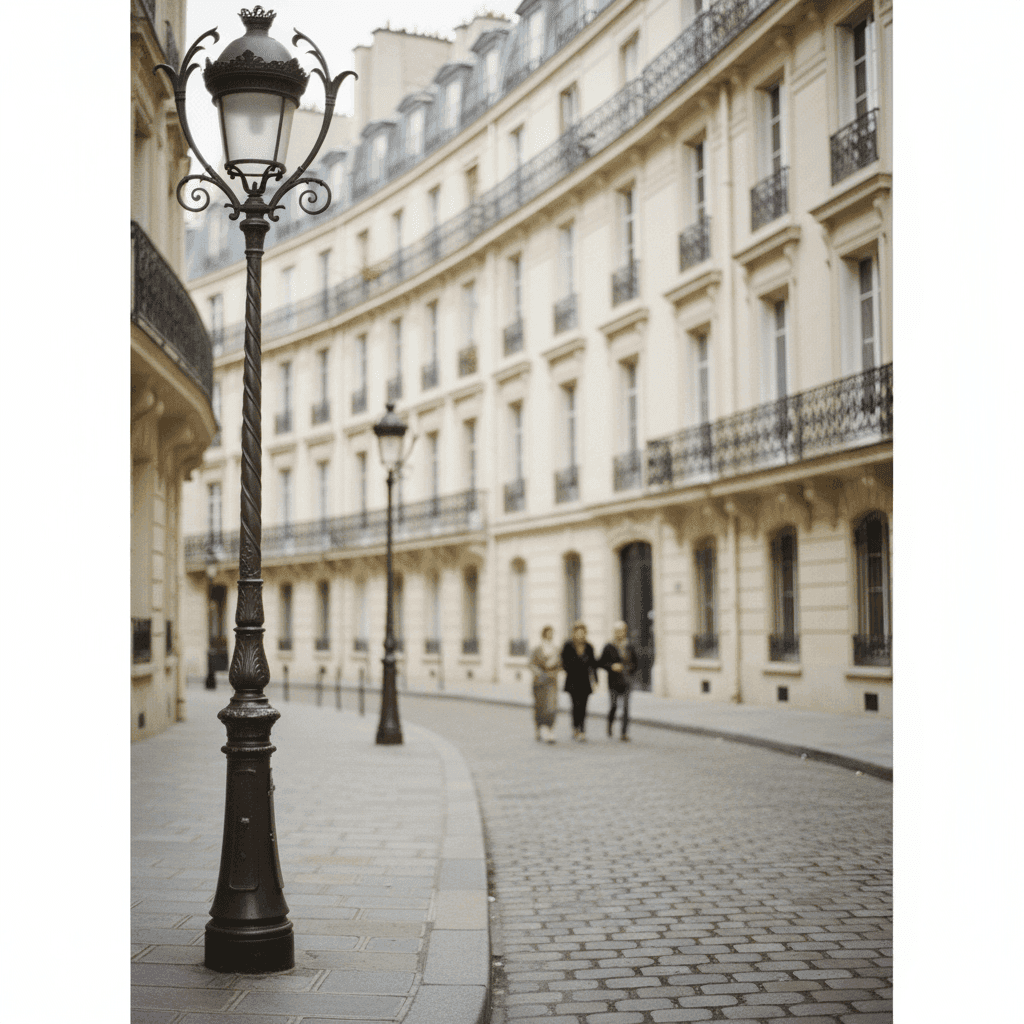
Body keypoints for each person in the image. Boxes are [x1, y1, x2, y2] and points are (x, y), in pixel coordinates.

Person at [599, 621, 636, 741]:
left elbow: (636, 662)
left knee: (625, 708)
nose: (620, 633)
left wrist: (630, 669)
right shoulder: (609, 646)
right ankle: (610, 725)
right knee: (614, 706)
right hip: (613, 681)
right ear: (614, 633)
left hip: (626, 681)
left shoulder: (629, 646)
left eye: (622, 631)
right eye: (617, 631)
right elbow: (601, 663)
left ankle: (624, 733)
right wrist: (611, 666)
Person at [560, 621, 598, 742]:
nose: (580, 635)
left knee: (584, 706)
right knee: (575, 705)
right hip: (572, 680)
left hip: (585, 681)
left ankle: (582, 729)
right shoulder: (568, 645)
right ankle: (575, 727)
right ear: (574, 633)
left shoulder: (589, 647)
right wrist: (569, 668)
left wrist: (595, 680)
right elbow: (563, 661)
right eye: (578, 632)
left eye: (582, 632)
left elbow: (593, 664)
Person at [529, 625, 560, 743]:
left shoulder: (556, 650)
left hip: (551, 682)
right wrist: (540, 673)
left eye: (552, 633)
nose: (550, 635)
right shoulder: (538, 649)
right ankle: (539, 728)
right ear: (544, 634)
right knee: (540, 706)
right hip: (540, 682)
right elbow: (531, 664)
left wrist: (554, 673)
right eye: (548, 633)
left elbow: (560, 665)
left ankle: (550, 729)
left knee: (551, 707)